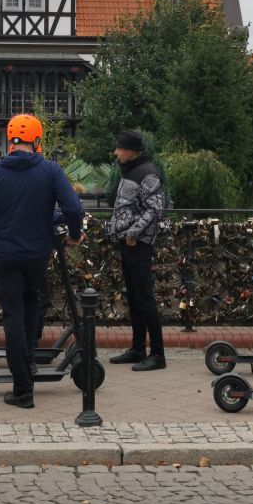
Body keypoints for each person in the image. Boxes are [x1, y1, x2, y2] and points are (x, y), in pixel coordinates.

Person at [0, 114, 84, 409]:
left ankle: (23, 389)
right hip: (37, 255)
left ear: (10, 141)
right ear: (37, 141)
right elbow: (73, 207)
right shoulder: (50, 170)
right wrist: (74, 234)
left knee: (12, 318)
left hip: (5, 257)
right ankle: (29, 362)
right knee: (33, 307)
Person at [107, 130, 167, 371]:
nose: (115, 152)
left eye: (119, 149)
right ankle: (137, 348)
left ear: (130, 152)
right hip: (128, 244)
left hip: (138, 245)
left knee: (144, 298)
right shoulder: (131, 171)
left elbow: (155, 209)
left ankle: (158, 355)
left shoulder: (148, 173)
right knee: (133, 297)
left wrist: (133, 233)